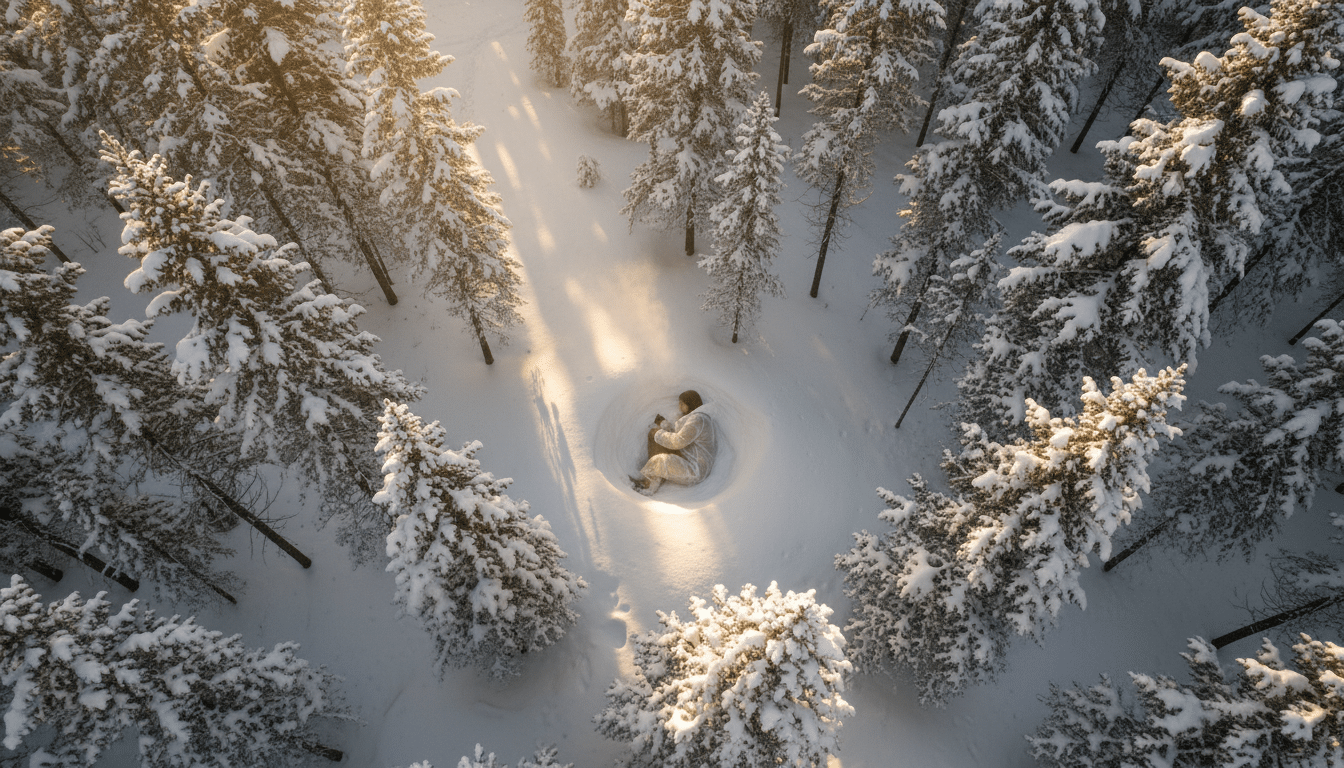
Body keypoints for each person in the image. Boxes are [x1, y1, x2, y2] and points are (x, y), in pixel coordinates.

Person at [630, 390, 716, 495]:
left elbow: (678, 441)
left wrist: (659, 433)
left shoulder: (698, 419)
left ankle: (648, 486)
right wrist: (664, 425)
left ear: (690, 403)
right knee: (654, 434)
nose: (679, 406)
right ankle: (655, 476)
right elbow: (680, 435)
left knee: (660, 459)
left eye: (682, 403)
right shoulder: (694, 418)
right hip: (687, 456)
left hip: (695, 469)